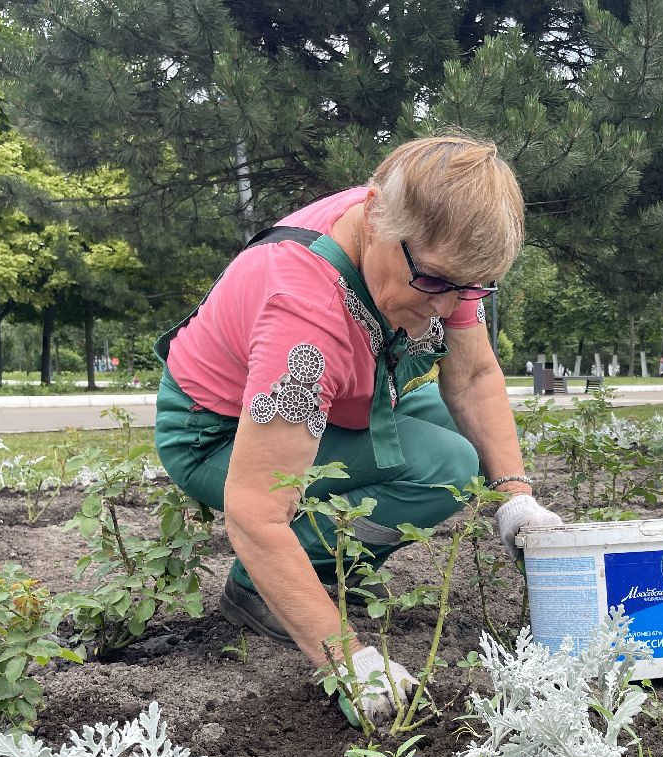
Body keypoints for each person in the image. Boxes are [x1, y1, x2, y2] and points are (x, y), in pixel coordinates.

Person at [154, 135, 560, 725]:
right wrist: (348, 658)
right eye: (436, 283)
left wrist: (518, 498)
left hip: (338, 403)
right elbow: (254, 512)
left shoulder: (431, 242)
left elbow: (472, 377)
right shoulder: (305, 315)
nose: (449, 310)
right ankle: (262, 590)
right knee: (444, 467)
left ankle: (299, 571)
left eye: (470, 290)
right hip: (211, 433)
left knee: (463, 442)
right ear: (374, 216)